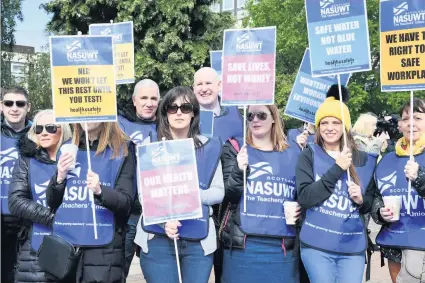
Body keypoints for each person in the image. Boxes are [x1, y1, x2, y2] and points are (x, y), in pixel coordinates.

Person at [134, 86, 224, 283]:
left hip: (198, 241)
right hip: (157, 239)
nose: (179, 112)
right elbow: (143, 195)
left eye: (185, 107)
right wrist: (163, 221)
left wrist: (188, 194)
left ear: (194, 113)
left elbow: (218, 192)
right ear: (165, 113)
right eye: (172, 108)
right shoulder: (150, 147)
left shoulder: (209, 147)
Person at [296, 85, 377, 283]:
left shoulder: (364, 160)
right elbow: (305, 198)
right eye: (324, 123)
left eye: (335, 122)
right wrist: (337, 169)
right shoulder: (309, 154)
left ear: (345, 126)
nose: (329, 128)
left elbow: (369, 203)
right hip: (317, 244)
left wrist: (360, 200)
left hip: (352, 245)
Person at [220, 104, 301, 283]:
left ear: (274, 118)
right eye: (250, 116)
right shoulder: (234, 147)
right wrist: (238, 170)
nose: (255, 120)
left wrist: (300, 208)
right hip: (243, 245)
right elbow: (227, 196)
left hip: (282, 248)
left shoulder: (295, 152)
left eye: (262, 115)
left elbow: (304, 194)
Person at [46, 121, 135, 283]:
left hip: (104, 248)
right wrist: (59, 178)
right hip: (67, 246)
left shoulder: (123, 149)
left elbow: (126, 203)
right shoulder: (67, 147)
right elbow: (52, 203)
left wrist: (100, 191)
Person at [9, 109, 72, 283]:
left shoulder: (79, 158)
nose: (44, 132)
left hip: (74, 242)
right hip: (34, 244)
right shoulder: (26, 160)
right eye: (39, 128)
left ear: (63, 130)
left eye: (51, 127)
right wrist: (53, 218)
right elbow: (16, 201)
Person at [193, 66, 243, 283]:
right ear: (193, 88)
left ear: (219, 86)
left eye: (208, 83)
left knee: (224, 266)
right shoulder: (185, 113)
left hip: (226, 205)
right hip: (196, 200)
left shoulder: (235, 113)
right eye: (199, 84)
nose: (204, 88)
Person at [372, 98, 425, 283]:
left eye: (418, 118)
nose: (411, 123)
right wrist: (380, 212)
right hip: (394, 244)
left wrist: (419, 177)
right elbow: (377, 196)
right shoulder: (387, 159)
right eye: (406, 118)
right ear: (400, 125)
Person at [117, 78, 160, 277]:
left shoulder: (166, 126)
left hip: (156, 212)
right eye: (144, 98)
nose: (149, 103)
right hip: (128, 214)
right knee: (119, 270)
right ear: (134, 100)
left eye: (153, 98)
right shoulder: (118, 124)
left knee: (157, 272)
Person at [0, 86, 32, 282]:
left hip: (27, 217)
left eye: (20, 104)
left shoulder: (40, 134)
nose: (14, 108)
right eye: (8, 103)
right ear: (1, 106)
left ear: (28, 107)